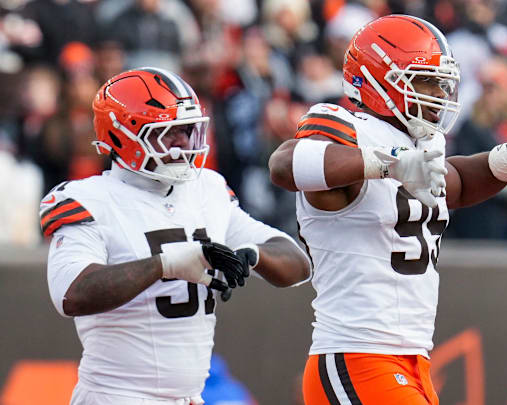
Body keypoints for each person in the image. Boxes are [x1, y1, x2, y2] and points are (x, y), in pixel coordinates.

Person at [268, 15, 507, 405]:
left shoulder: (409, 143)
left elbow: (455, 183)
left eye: (443, 83)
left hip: (409, 359)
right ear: (380, 79)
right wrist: (389, 163)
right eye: (426, 80)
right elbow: (285, 164)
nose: (440, 95)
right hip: (358, 354)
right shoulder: (344, 125)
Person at [41, 67, 310, 405]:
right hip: (116, 396)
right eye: (168, 133)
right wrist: (165, 265)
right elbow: (71, 293)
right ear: (122, 135)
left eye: (187, 130)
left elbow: (297, 264)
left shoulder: (205, 189)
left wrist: (252, 253)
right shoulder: (88, 199)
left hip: (189, 397)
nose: (183, 143)